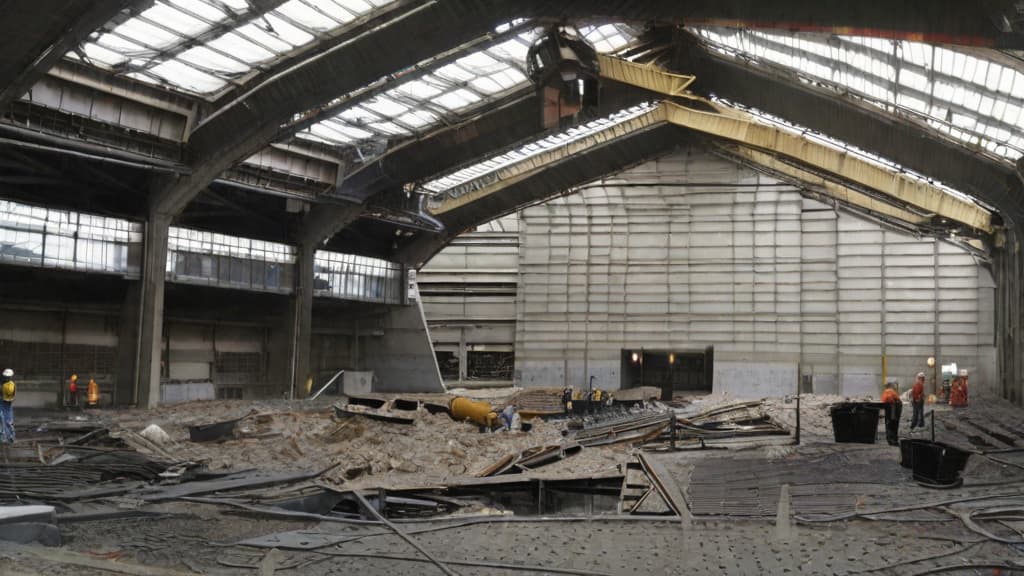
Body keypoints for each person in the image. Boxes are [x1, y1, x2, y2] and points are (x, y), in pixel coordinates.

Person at [881, 381, 902, 446]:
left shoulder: (885, 392)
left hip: (890, 409)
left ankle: (890, 439)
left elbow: (883, 401)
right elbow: (892, 400)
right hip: (894, 408)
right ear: (891, 386)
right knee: (894, 424)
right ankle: (893, 440)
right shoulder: (891, 391)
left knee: (889, 423)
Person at [1, 368, 15, 445]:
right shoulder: (3, 384)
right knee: (3, 421)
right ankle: (4, 437)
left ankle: (10, 437)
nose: (6, 378)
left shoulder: (11, 384)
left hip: (7, 403)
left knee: (8, 421)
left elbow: (10, 394)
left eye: (8, 377)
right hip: (2, 402)